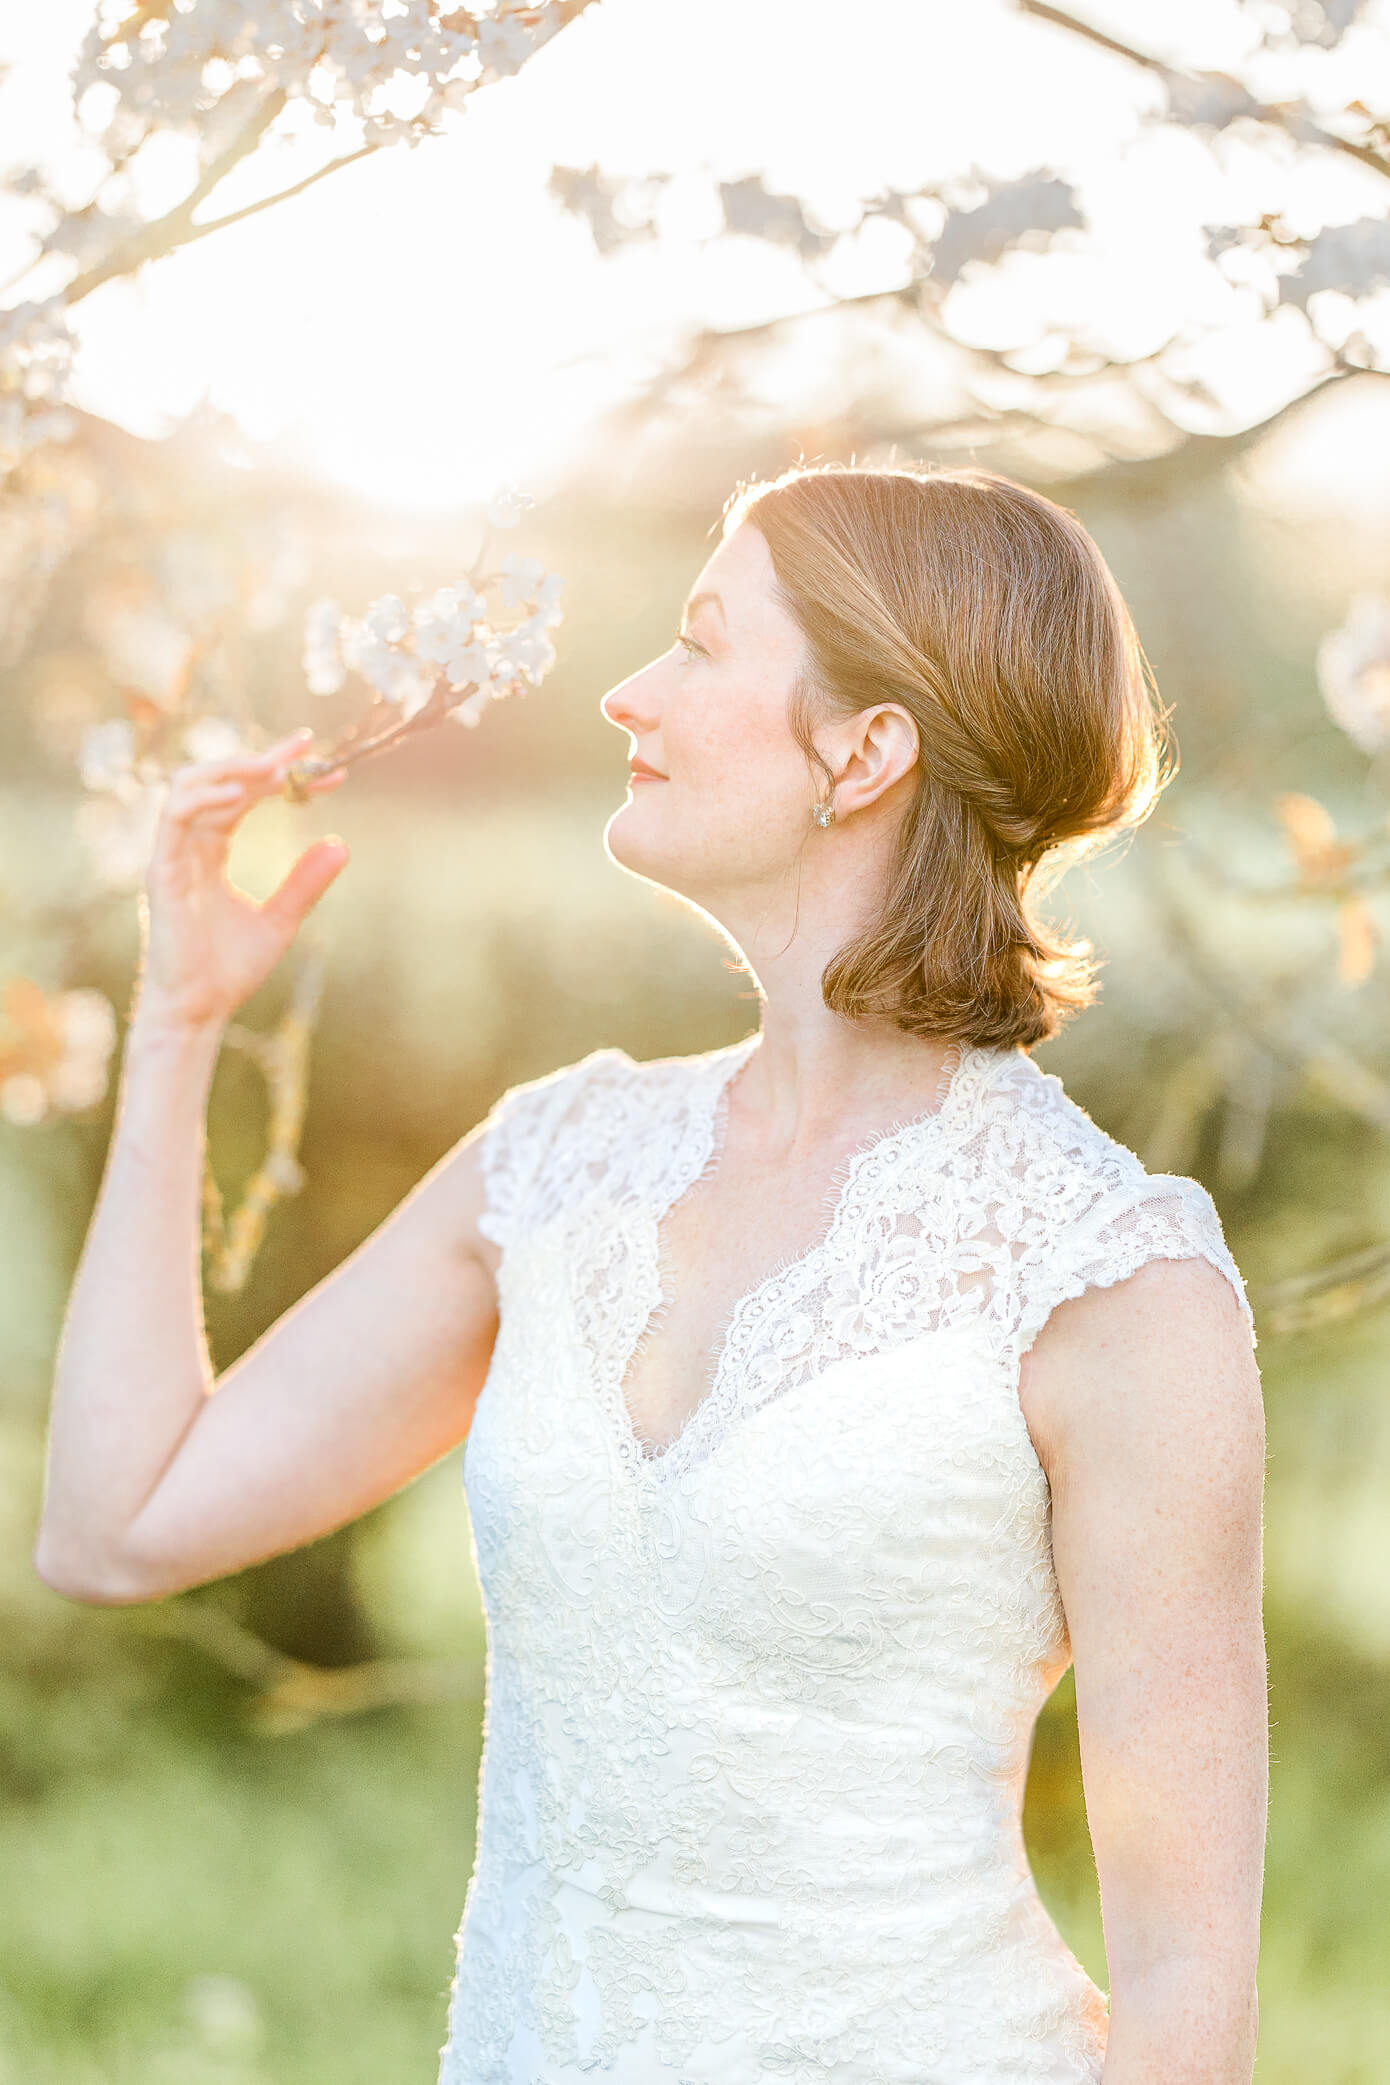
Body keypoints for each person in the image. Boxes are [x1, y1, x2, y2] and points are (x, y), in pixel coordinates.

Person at [34, 463, 1268, 2085]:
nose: (628, 689)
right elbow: (117, 1523)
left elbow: (1185, 1992)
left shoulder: (1112, 1278)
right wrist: (180, 1021)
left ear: (865, 747)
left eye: (698, 643)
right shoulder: (551, 1167)